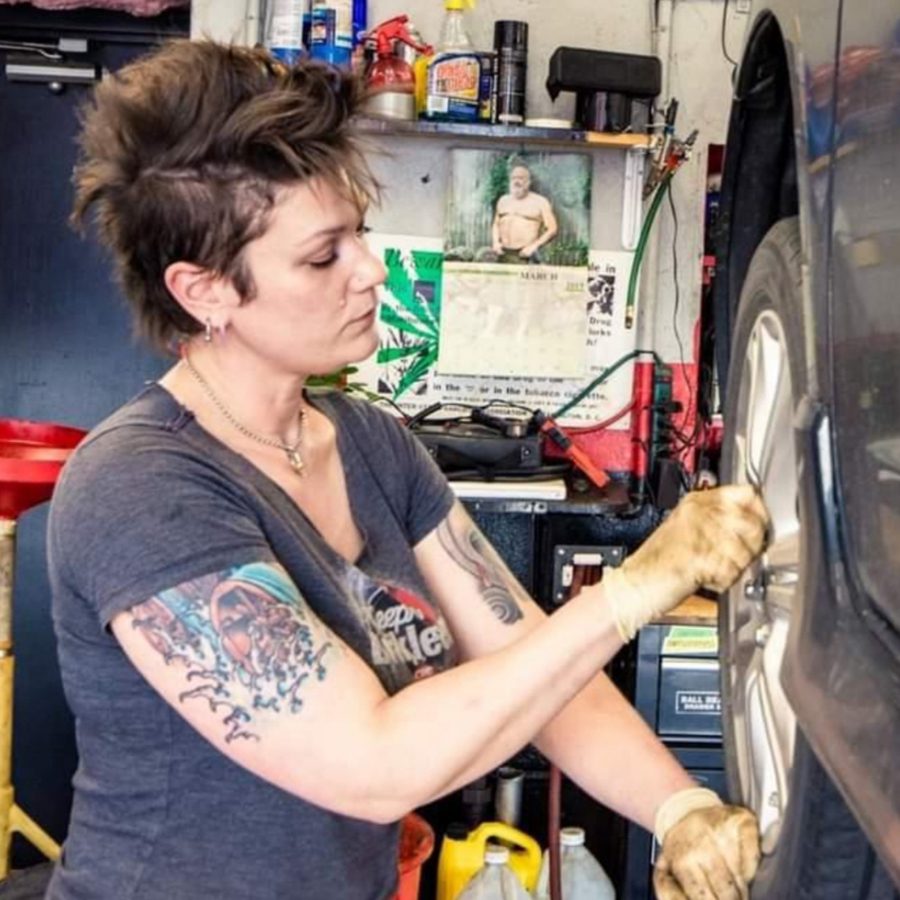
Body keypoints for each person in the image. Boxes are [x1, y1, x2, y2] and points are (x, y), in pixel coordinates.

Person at [46, 40, 768, 900]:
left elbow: (534, 664)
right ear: (205, 292)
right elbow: (372, 759)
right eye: (323, 257)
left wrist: (678, 804)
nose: (371, 270)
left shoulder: (368, 442)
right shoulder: (139, 487)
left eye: (358, 233)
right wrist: (633, 591)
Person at [491, 164, 559, 263]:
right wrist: (495, 242)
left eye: (521, 178)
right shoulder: (503, 200)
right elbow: (496, 224)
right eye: (513, 178)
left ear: (528, 182)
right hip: (503, 252)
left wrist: (534, 246)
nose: (516, 181)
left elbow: (552, 229)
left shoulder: (540, 202)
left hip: (526, 254)